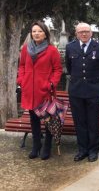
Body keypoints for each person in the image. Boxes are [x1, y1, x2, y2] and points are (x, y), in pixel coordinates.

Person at [65, 22, 99, 162]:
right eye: (81, 32)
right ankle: (82, 150)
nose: (84, 34)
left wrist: (96, 82)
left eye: (86, 31)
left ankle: (93, 150)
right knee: (79, 122)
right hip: (76, 90)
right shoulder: (70, 47)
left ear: (91, 33)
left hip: (93, 90)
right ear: (76, 34)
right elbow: (69, 66)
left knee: (93, 121)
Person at [17, 21, 63, 160]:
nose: (36, 33)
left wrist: (51, 84)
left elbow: (57, 70)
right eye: (34, 31)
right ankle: (36, 145)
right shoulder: (26, 48)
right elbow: (22, 65)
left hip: (45, 91)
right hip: (29, 90)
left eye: (40, 31)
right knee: (34, 119)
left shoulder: (51, 50)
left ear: (45, 34)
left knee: (48, 120)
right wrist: (21, 80)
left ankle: (47, 146)